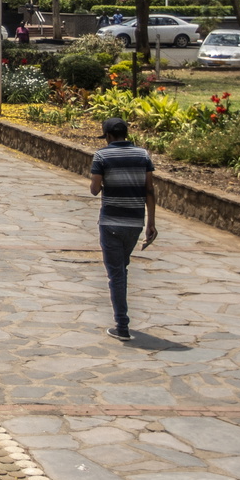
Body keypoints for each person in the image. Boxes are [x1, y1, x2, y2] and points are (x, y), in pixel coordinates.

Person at [89, 116, 156, 341]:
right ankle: (122, 322)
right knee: (122, 269)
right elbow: (149, 190)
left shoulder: (102, 155)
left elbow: (94, 190)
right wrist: (151, 223)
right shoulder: (143, 155)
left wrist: (105, 180)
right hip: (135, 222)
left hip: (111, 222)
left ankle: (122, 325)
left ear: (108, 136)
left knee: (116, 274)